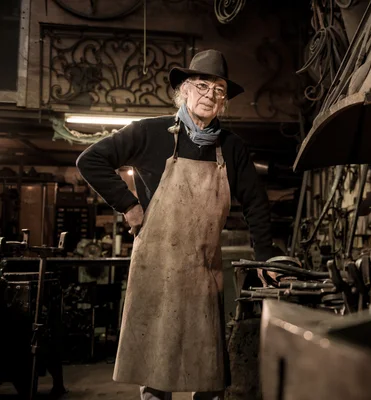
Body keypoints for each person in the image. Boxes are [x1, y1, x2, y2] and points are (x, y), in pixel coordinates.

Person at [76, 49, 278, 400]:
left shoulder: (231, 148)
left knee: (209, 371)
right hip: (156, 270)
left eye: (218, 91)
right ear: (183, 90)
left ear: (224, 101)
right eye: (202, 86)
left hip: (203, 272)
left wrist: (266, 257)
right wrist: (128, 204)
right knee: (156, 370)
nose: (209, 96)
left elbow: (257, 204)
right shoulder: (150, 133)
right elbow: (90, 160)